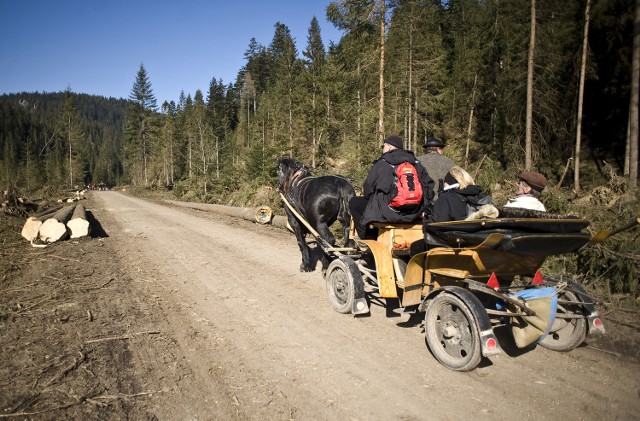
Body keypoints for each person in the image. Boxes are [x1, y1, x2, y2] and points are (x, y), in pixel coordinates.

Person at [349, 135, 435, 239]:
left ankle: (369, 239)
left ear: (389, 147)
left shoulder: (383, 163)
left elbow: (368, 188)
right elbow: (429, 187)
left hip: (387, 213)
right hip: (415, 214)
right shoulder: (416, 163)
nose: (383, 149)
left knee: (354, 203)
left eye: (383, 146)